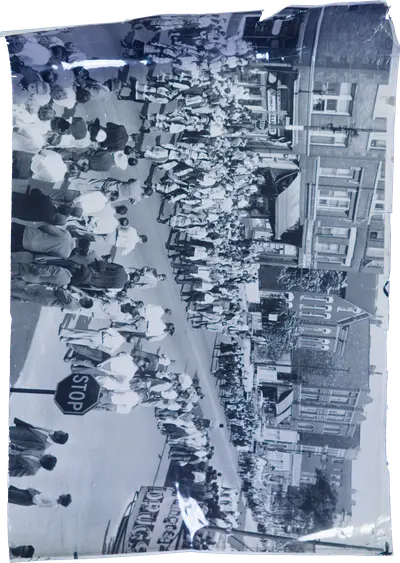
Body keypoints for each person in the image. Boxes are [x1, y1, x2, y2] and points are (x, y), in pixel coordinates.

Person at [10, 222, 76, 258]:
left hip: (30, 234)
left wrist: (40, 225)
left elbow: (48, 228)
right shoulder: (66, 255)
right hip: (30, 246)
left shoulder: (67, 236)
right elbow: (50, 255)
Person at [7, 486, 71, 507]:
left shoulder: (52, 504)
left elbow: (38, 502)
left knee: (8, 495)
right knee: (9, 491)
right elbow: (42, 495)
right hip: (28, 494)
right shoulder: (55, 498)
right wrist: (34, 490)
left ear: (63, 499)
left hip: (27, 498)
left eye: (64, 495)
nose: (63, 494)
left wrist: (31, 492)